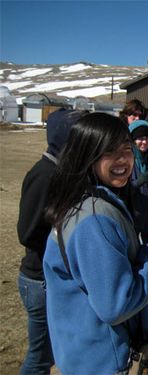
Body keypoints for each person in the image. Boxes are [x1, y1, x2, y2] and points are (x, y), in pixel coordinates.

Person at [43, 113, 148, 374]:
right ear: (88, 155)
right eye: (109, 152)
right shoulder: (94, 220)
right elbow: (116, 305)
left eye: (126, 149)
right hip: (108, 361)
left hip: (87, 353)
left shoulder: (86, 202)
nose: (122, 160)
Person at [16, 108, 86, 375]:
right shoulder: (45, 175)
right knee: (40, 357)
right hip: (39, 280)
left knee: (49, 353)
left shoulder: (61, 173)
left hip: (47, 278)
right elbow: (27, 232)